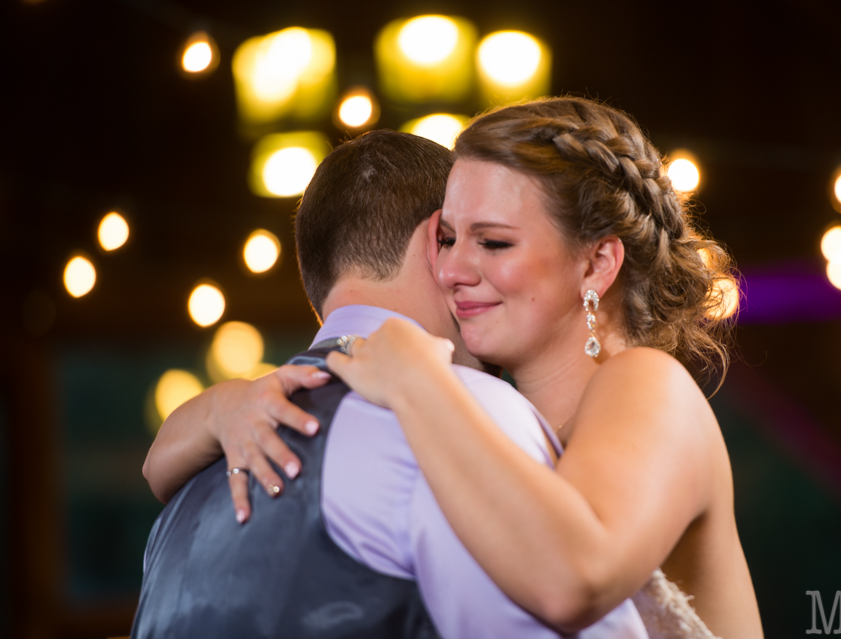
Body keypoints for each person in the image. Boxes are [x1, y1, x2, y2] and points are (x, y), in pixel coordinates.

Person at [148, 97, 765, 638]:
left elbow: (579, 577)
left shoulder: (646, 384)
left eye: (492, 243)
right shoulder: (498, 419)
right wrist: (222, 405)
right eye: (446, 240)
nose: (451, 270)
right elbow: (157, 468)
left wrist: (419, 384)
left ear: (596, 264)